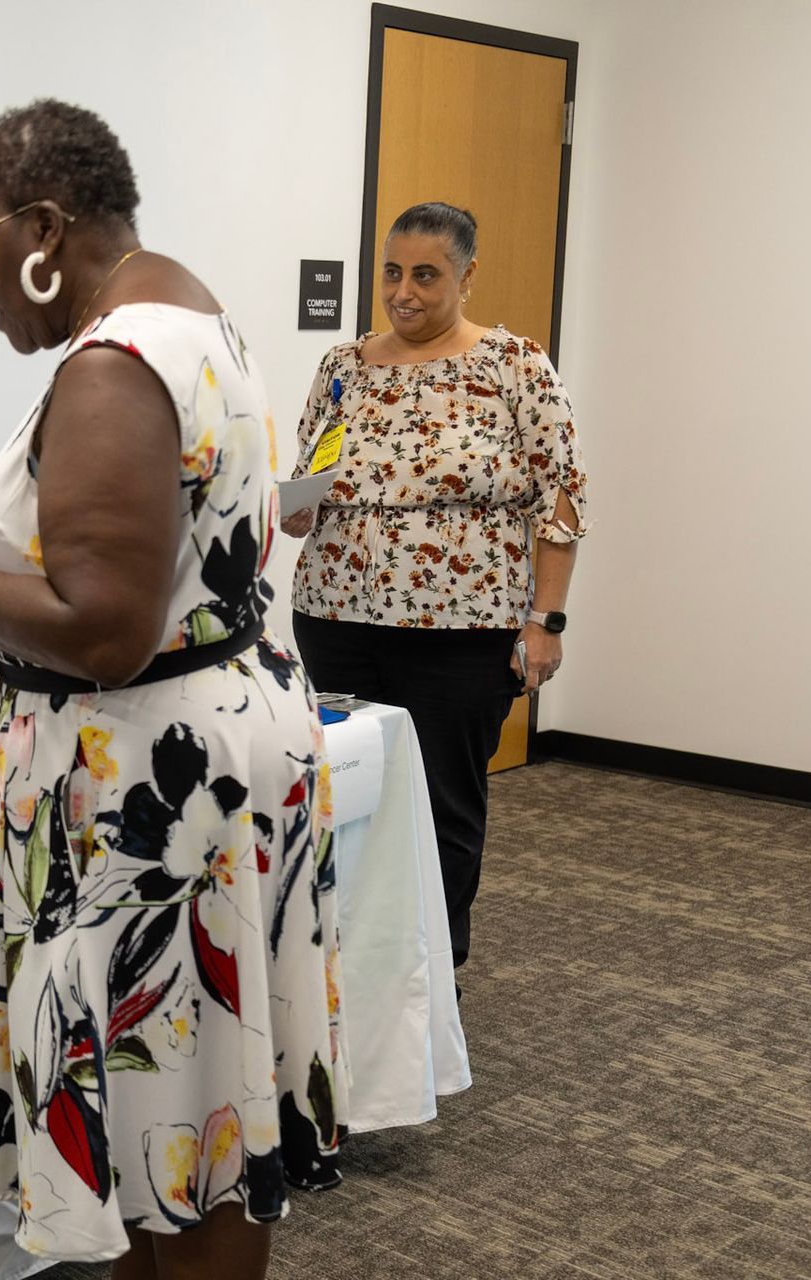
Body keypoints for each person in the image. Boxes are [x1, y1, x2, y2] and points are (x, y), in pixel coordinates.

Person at [0, 100, 341, 1278]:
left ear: (42, 226)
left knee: (174, 1136)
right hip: (194, 752)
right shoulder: (186, 315)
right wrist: (4, 685)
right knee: (185, 1127)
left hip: (154, 797)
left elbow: (106, 628)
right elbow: (150, 591)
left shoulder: (112, 365)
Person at [279, 201, 589, 971]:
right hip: (336, 616)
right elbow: (309, 475)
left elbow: (563, 495)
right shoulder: (343, 368)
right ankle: (343, 973)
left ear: (467, 276)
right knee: (343, 793)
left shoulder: (513, 364)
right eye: (392, 272)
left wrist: (545, 620)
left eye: (426, 274)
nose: (404, 291)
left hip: (462, 632)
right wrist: (291, 503)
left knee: (442, 802)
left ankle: (430, 979)